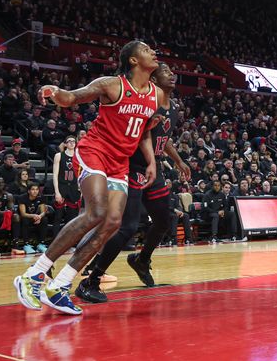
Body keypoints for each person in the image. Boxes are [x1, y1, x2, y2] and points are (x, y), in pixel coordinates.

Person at [14, 40, 159, 316]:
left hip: (120, 162)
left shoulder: (155, 94)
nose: (153, 52)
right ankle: (34, 275)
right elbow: (72, 97)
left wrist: (151, 161)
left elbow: (145, 130)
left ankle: (60, 286)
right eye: (146, 49)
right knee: (97, 213)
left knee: (112, 223)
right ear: (132, 60)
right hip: (94, 151)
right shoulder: (111, 84)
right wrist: (55, 91)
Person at [76, 63, 190, 303]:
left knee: (164, 218)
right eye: (166, 71)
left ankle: (141, 259)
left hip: (152, 167)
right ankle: (92, 278)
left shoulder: (174, 108)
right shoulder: (148, 101)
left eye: (171, 71)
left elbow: (163, 138)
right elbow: (136, 134)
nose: (172, 74)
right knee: (127, 226)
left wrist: (179, 161)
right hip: (130, 165)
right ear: (154, 80)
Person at [51, 136, 81, 238]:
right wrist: (57, 192)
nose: (72, 143)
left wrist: (80, 190)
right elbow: (55, 175)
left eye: (73, 141)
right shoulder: (59, 155)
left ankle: (69, 242)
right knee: (58, 216)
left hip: (74, 188)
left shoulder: (79, 156)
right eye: (69, 141)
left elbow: (81, 174)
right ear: (65, 144)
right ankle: (55, 241)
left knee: (72, 218)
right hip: (62, 186)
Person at [15, 183, 48, 255]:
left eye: (37, 189)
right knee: (25, 220)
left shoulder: (41, 197)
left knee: (44, 220)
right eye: (33, 189)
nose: (35, 191)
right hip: (25, 217)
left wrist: (39, 217)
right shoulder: (22, 198)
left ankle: (41, 244)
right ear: (28, 191)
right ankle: (26, 245)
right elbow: (23, 214)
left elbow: (43, 212)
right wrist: (35, 215)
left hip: (35, 217)